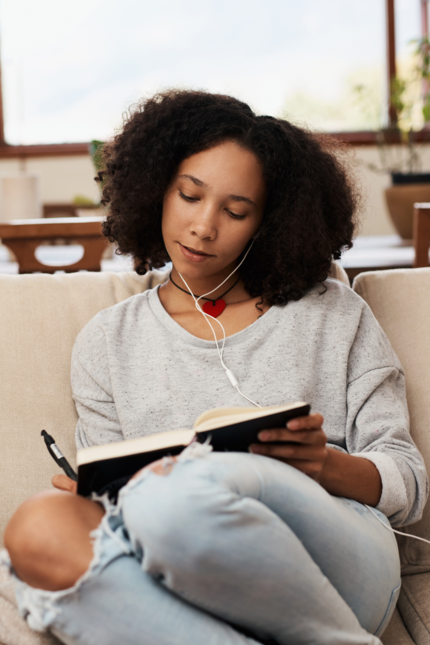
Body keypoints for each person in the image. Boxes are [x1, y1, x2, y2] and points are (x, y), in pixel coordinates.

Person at [3, 90, 428, 645]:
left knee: (176, 485)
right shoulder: (108, 342)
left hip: (339, 558)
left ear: (267, 222)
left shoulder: (332, 314)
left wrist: (324, 467)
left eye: (235, 211)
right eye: (189, 196)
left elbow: (409, 480)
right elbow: (110, 511)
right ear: (157, 190)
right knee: (37, 528)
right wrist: (95, 495)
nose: (204, 226)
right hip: (181, 569)